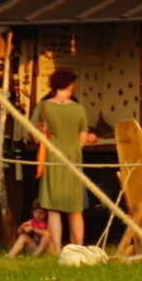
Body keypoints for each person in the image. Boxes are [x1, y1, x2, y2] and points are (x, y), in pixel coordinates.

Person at [33, 68, 100, 252]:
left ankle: (56, 249)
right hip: (73, 159)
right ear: (69, 85)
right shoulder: (78, 108)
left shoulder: (44, 106)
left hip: (53, 157)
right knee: (75, 207)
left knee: (53, 208)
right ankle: (78, 248)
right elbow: (82, 139)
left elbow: (34, 134)